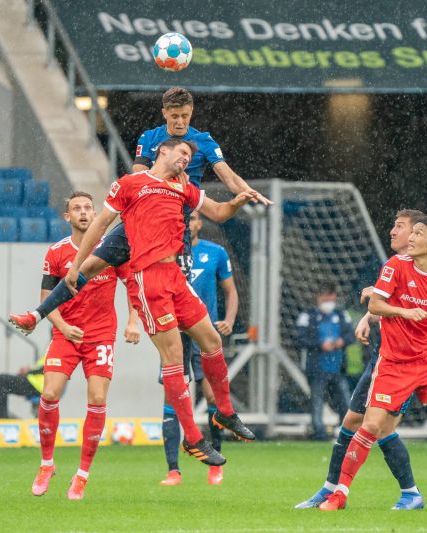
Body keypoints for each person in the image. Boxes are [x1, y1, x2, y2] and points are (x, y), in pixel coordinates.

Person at [8, 87, 269, 336]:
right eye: (175, 116)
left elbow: (227, 175)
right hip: (139, 221)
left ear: (192, 113)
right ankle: (36, 315)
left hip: (174, 229)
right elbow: (138, 175)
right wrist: (165, 177)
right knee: (88, 266)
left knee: (182, 310)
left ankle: (184, 375)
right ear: (164, 112)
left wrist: (249, 193)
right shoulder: (150, 137)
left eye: (185, 116)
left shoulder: (202, 141)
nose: (180, 121)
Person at [65, 139, 257, 469]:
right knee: (174, 359)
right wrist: (77, 265)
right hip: (148, 278)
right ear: (162, 152)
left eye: (190, 157)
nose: (186, 159)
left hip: (175, 275)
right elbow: (101, 224)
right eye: (182, 153)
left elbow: (219, 213)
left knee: (212, 340)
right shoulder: (130, 184)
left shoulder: (182, 189)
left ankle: (224, 413)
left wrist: (237, 202)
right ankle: (194, 439)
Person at [320, 215, 427, 513]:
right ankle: (339, 494)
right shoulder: (396, 265)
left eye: (418, 234)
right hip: (394, 363)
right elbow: (374, 304)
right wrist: (405, 312)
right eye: (410, 233)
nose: (410, 238)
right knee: (370, 425)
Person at [296, 209, 425, 511]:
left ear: (418, 234)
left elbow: (416, 306)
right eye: (393, 225)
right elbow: (390, 301)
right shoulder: (393, 265)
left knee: (381, 428)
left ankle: (412, 492)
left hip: (402, 364)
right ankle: (329, 489)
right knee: (352, 420)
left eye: (400, 226)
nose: (393, 231)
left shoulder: (422, 268)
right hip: (380, 359)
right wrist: (370, 314)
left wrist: (375, 303)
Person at [30, 191, 140, 501]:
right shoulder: (56, 252)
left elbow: (132, 285)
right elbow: (45, 301)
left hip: (101, 335)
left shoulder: (111, 249)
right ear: (67, 217)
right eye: (76, 208)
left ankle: (81, 476)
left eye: (88, 208)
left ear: (95, 214)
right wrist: (63, 326)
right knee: (49, 393)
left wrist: (134, 321)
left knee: (96, 398)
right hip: (66, 334)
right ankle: (47, 464)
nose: (83, 212)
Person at [159, 210, 239, 487]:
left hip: (204, 331)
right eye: (183, 219)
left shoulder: (215, 252)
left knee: (213, 398)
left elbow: (230, 290)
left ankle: (215, 465)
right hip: (174, 332)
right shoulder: (166, 252)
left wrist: (228, 320)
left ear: (199, 224)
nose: (188, 223)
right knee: (172, 397)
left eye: (192, 219)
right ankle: (173, 470)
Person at [295, 282, 353, 441]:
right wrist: (320, 345)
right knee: (317, 401)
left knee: (345, 400)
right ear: (318, 297)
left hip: (338, 367)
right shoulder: (307, 316)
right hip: (316, 368)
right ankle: (318, 432)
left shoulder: (341, 315)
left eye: (331, 298)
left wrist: (342, 341)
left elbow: (351, 336)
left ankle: (346, 430)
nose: (328, 302)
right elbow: (300, 340)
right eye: (325, 298)